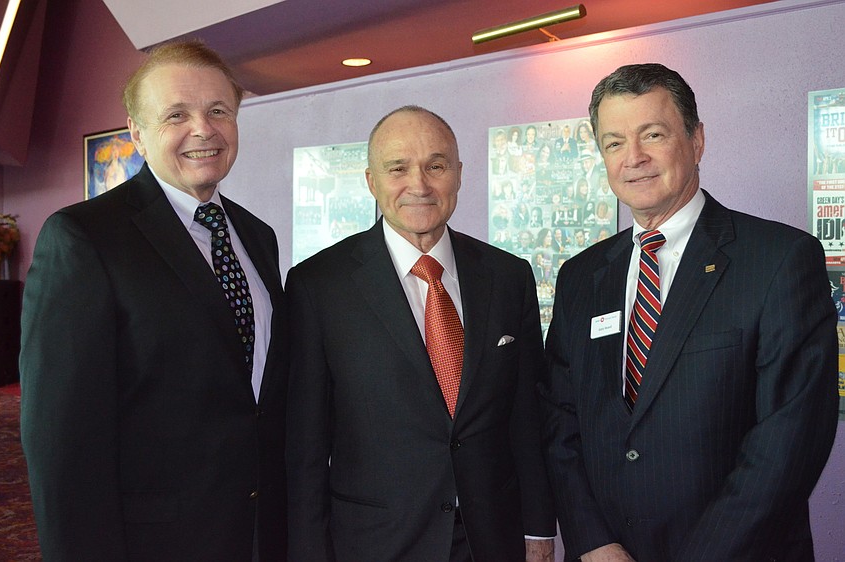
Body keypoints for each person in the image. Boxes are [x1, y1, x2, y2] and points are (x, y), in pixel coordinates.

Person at [539, 63, 838, 561]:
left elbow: (789, 441)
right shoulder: (580, 277)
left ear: (697, 141)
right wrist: (592, 541)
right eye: (614, 143)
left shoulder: (780, 260)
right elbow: (560, 420)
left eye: (652, 134)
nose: (633, 158)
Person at [20, 40, 289, 561]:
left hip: (260, 531)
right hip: (155, 541)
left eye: (219, 111)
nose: (203, 129)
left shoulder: (258, 237)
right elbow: (61, 442)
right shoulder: (84, 238)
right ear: (137, 134)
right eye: (176, 115)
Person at [285, 105, 556, 562]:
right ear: (371, 181)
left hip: (493, 540)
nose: (420, 184)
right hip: (376, 542)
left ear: (459, 174)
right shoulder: (318, 285)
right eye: (398, 168)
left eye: (436, 165)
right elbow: (305, 445)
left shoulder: (508, 277)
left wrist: (539, 531)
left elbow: (527, 417)